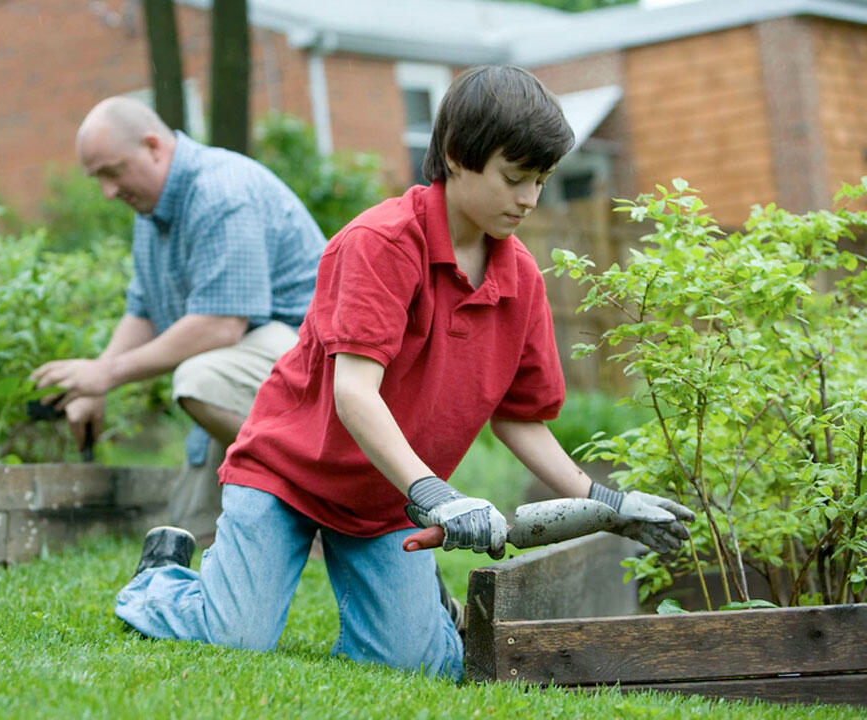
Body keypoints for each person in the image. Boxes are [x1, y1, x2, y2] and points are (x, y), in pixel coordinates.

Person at [113, 66, 695, 680]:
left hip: (388, 499)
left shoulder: (519, 279)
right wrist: (439, 496)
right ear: (454, 157)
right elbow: (354, 393)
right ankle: (162, 578)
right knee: (234, 637)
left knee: (415, 665)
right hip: (287, 475)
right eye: (514, 178)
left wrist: (610, 504)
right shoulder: (380, 244)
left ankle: (420, 613)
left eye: (541, 182)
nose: (529, 199)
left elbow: (520, 421)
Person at [31, 97, 326, 540]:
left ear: (153, 146)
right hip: (252, 373)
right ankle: (280, 513)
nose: (108, 192)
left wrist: (108, 374)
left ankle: (324, 500)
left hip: (317, 371)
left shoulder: (220, 192)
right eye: (98, 180)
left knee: (200, 379)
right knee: (188, 531)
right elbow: (144, 310)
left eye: (112, 172)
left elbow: (221, 324)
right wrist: (92, 384)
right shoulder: (152, 211)